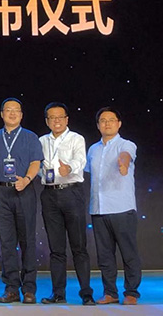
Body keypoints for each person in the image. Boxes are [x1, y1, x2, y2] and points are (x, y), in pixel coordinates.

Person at [38, 102, 95, 306]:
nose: (56, 121)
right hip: (49, 195)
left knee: (79, 246)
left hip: (72, 192)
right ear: (47, 121)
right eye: (52, 117)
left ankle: (86, 293)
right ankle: (58, 293)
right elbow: (36, 165)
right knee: (56, 248)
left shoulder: (76, 138)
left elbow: (81, 160)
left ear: (67, 119)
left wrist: (68, 168)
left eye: (60, 117)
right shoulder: (41, 141)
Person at [0, 98, 43, 304]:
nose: (12, 114)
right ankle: (11, 288)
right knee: (7, 242)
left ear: (21, 115)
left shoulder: (30, 137)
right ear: (2, 114)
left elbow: (36, 162)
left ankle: (29, 288)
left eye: (16, 110)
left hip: (24, 190)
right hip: (2, 193)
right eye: (8, 110)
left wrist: (27, 179)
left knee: (27, 240)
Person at [86, 107, 141, 305]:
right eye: (103, 120)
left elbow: (126, 155)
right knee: (104, 255)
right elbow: (84, 171)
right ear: (98, 125)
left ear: (119, 123)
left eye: (111, 120)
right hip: (98, 209)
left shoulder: (126, 145)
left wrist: (123, 164)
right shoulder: (93, 149)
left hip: (122, 209)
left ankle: (131, 292)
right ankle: (110, 292)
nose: (107, 123)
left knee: (128, 253)